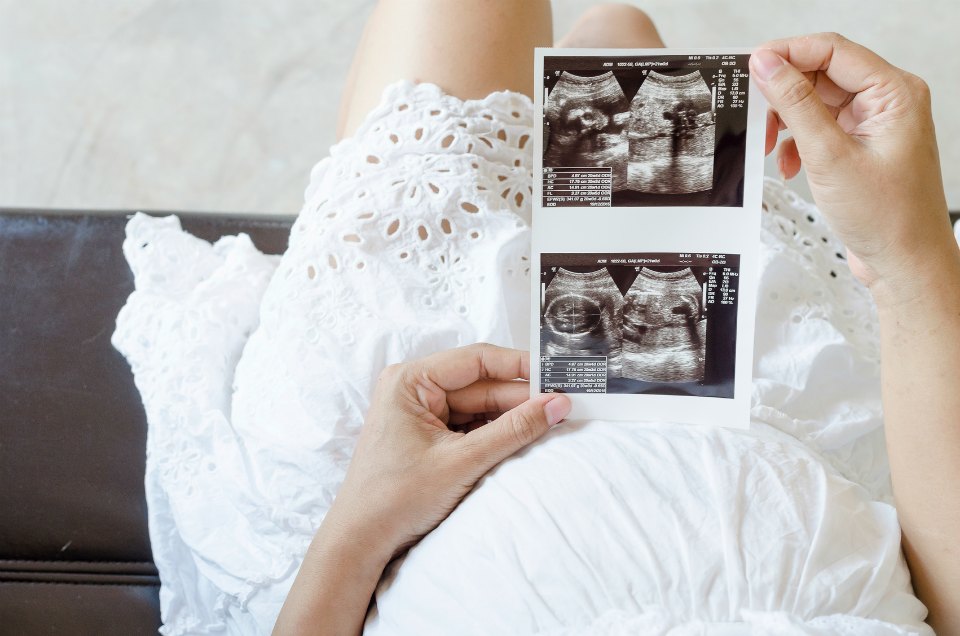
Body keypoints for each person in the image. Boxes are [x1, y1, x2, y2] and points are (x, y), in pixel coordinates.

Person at [267, 2, 960, 634]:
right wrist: (910, 267)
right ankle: (605, 41)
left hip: (437, 438)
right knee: (625, 37)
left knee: (491, 21)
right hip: (784, 414)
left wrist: (361, 524)